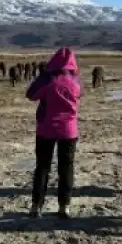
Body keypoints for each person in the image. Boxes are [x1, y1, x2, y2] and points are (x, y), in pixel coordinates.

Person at [25, 47, 83, 219]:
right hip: (69, 130)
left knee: (42, 167)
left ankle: (36, 207)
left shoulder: (47, 79)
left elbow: (30, 94)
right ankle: (64, 207)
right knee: (66, 168)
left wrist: (42, 77)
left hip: (46, 129)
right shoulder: (75, 81)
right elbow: (81, 94)